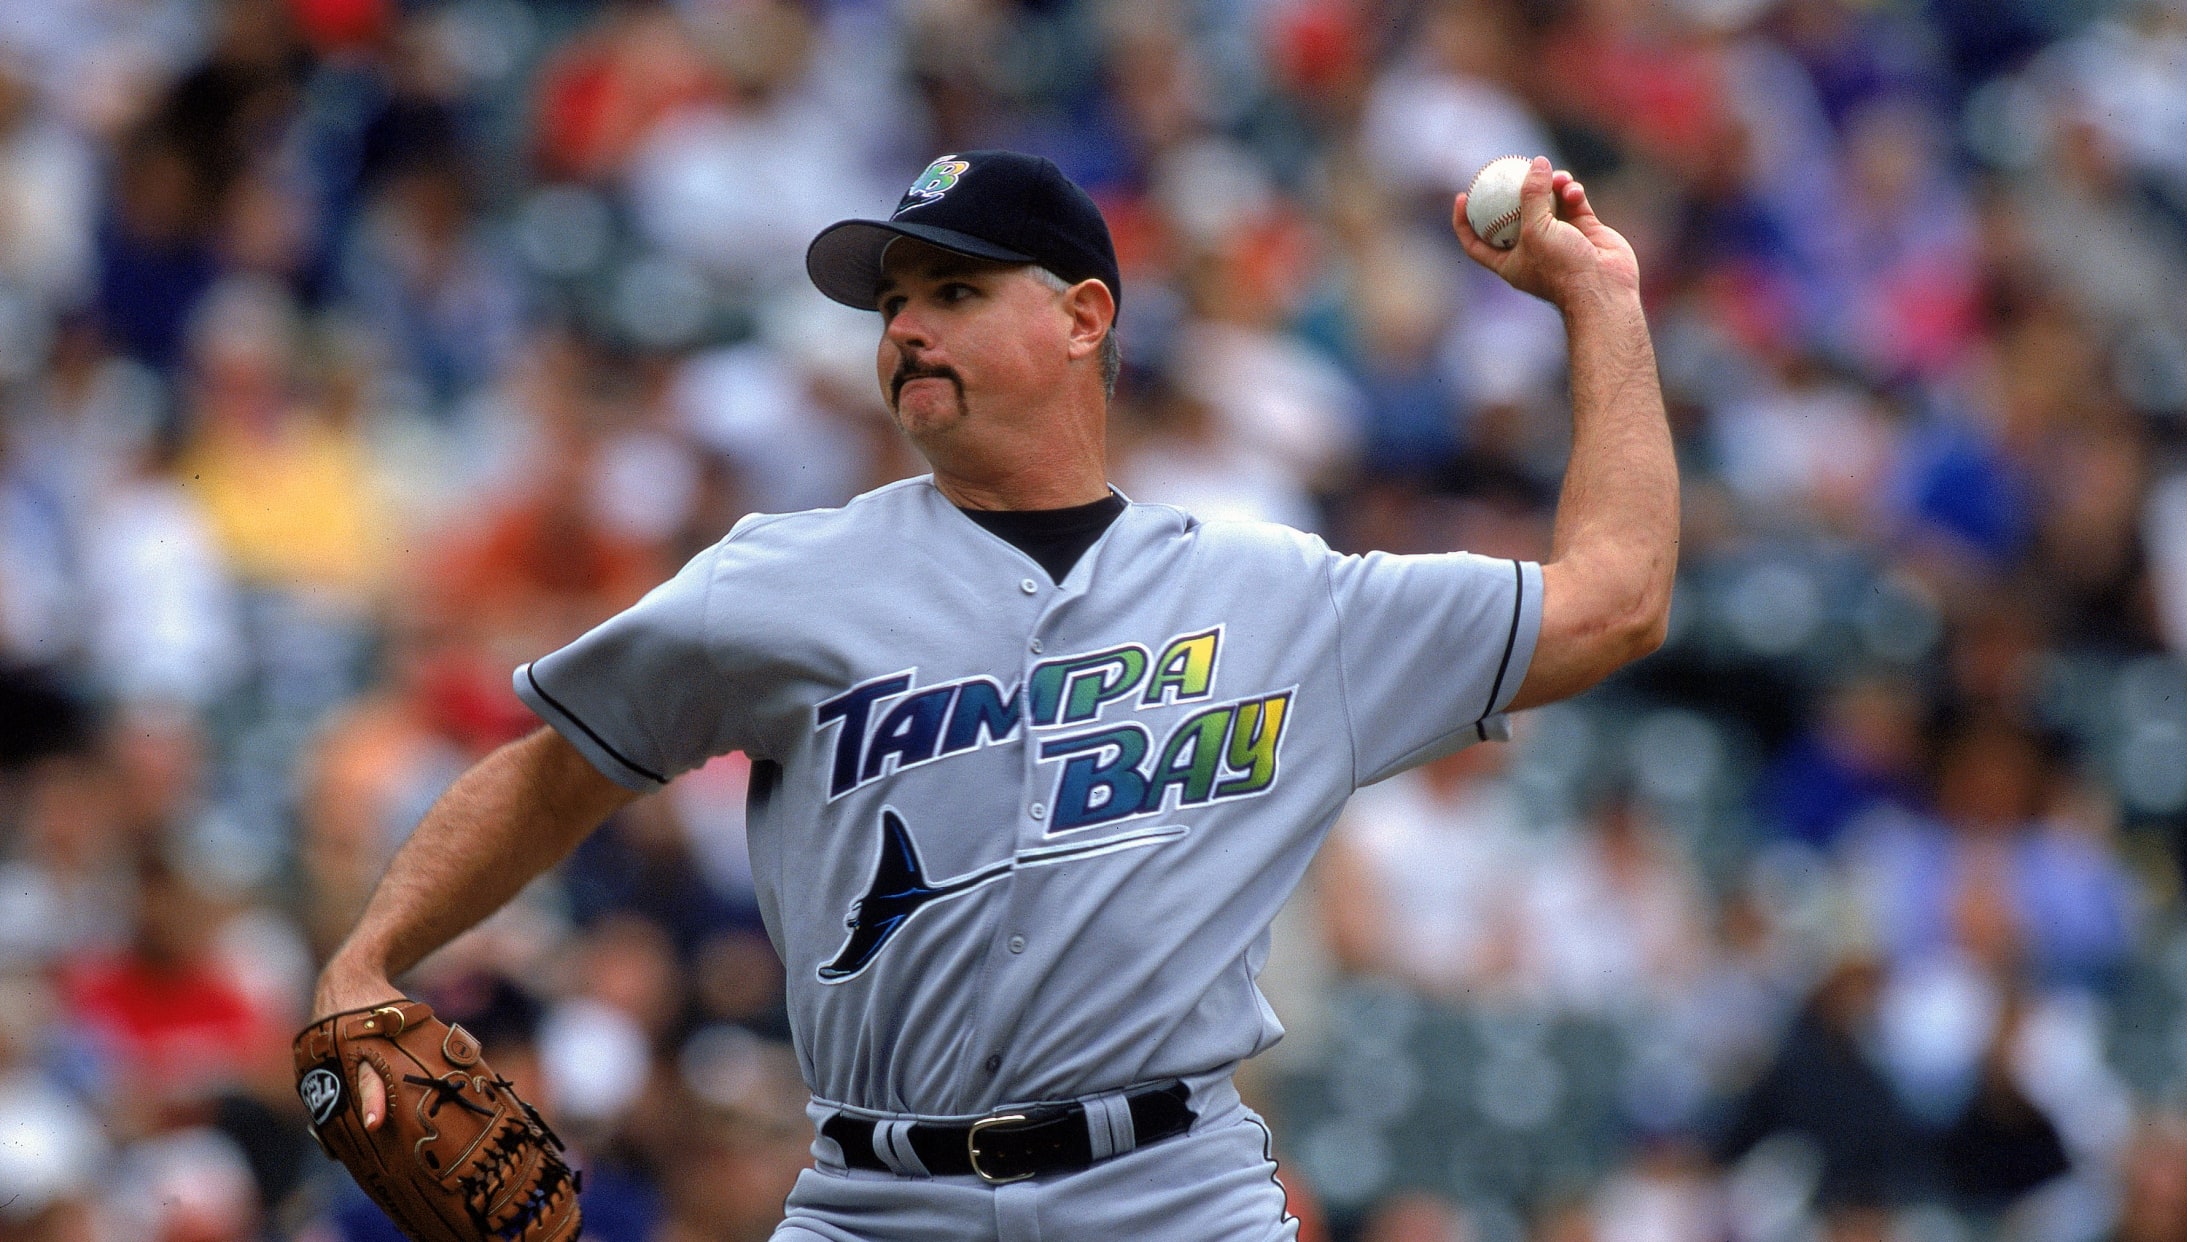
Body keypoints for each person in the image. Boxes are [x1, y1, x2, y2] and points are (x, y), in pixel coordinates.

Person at [310, 148, 1676, 1240]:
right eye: (893, 300)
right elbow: (560, 768)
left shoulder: (1282, 597)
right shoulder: (783, 578)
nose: (904, 326)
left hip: (1170, 1196)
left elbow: (1615, 599)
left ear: (1085, 316)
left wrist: (1603, 300)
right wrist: (369, 958)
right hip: (870, 1196)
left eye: (954, 292)